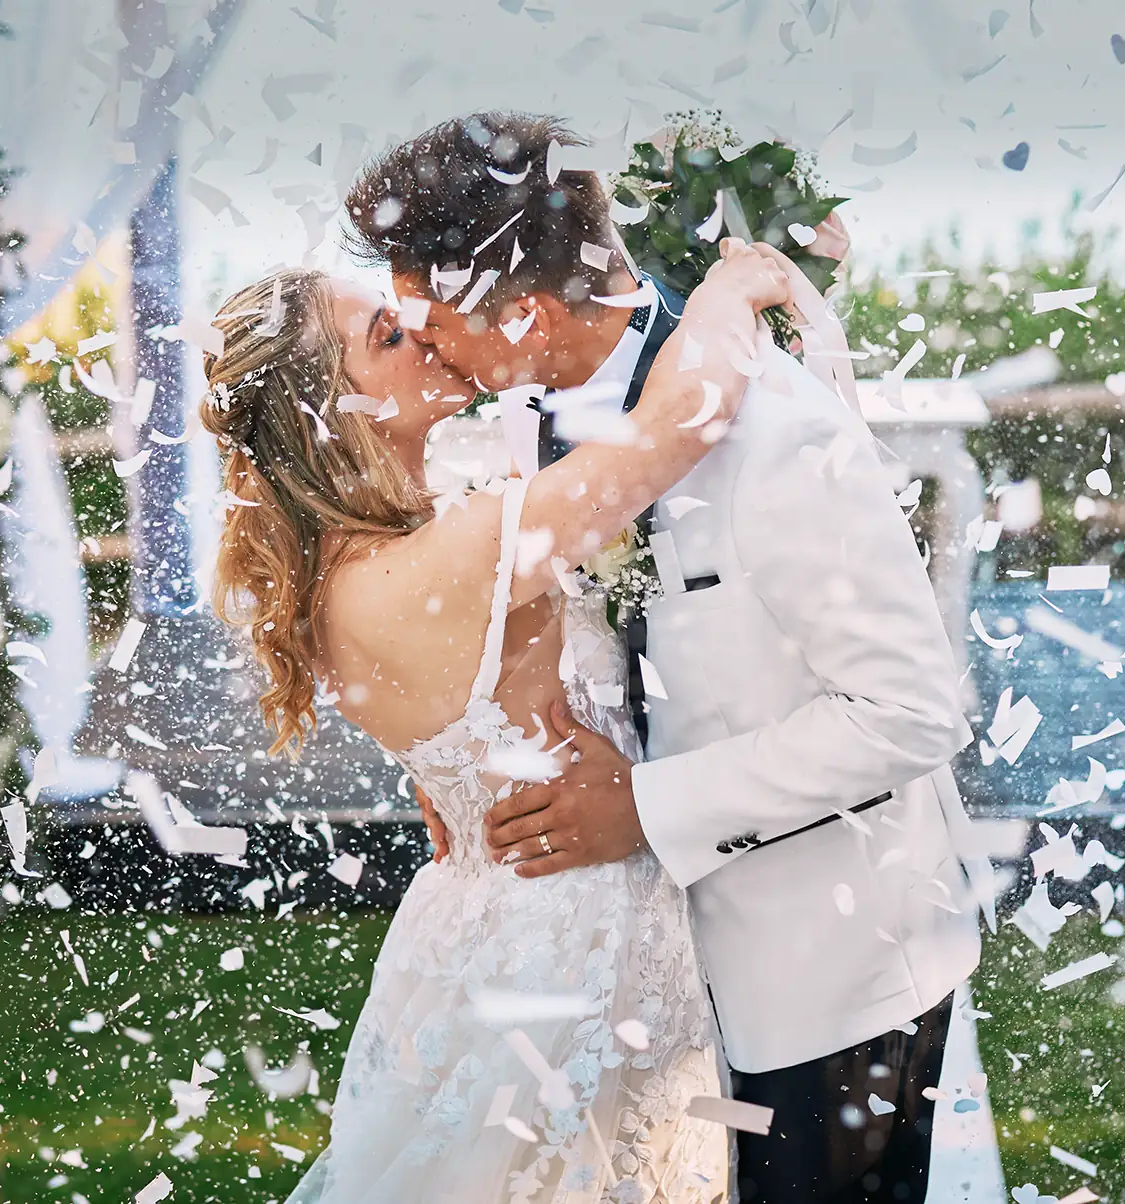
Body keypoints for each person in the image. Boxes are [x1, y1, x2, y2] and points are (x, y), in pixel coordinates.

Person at [347, 112, 993, 1202]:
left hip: (824, 984)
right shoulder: (525, 417)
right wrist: (468, 751)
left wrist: (645, 808)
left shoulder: (779, 434)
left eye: (431, 318)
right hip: (642, 982)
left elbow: (912, 710)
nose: (424, 345)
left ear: (525, 313)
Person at [203, 237, 794, 1199]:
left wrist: (462, 778)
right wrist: (732, 283)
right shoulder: (460, 549)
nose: (424, 329)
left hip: (483, 914)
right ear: (329, 412)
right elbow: (680, 422)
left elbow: (455, 716)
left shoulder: (341, 576)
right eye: (386, 334)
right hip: (571, 931)